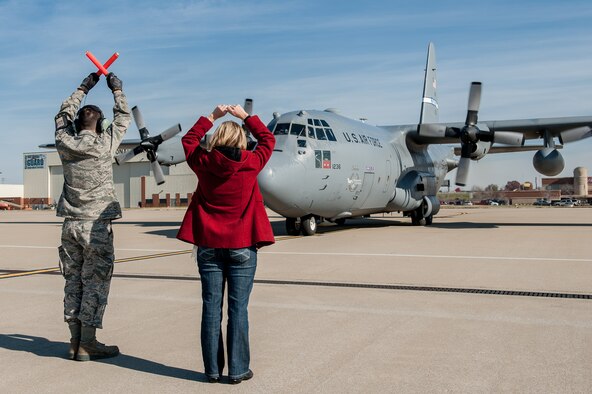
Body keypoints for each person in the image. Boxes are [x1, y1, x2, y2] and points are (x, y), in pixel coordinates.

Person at [177, 104, 276, 384]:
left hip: (208, 246)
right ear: (242, 141)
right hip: (242, 246)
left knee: (211, 307)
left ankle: (211, 370)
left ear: (216, 140)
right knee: (238, 309)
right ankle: (237, 370)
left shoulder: (203, 163)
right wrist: (246, 117)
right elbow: (269, 139)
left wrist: (212, 117)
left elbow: (188, 140)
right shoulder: (252, 163)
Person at [54, 71, 130, 361]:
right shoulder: (105, 144)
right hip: (95, 228)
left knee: (73, 281)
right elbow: (123, 117)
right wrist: (117, 90)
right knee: (95, 281)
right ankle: (88, 342)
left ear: (76, 123)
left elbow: (62, 113)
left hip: (70, 225)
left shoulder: (64, 142)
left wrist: (84, 87)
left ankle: (74, 342)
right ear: (101, 125)